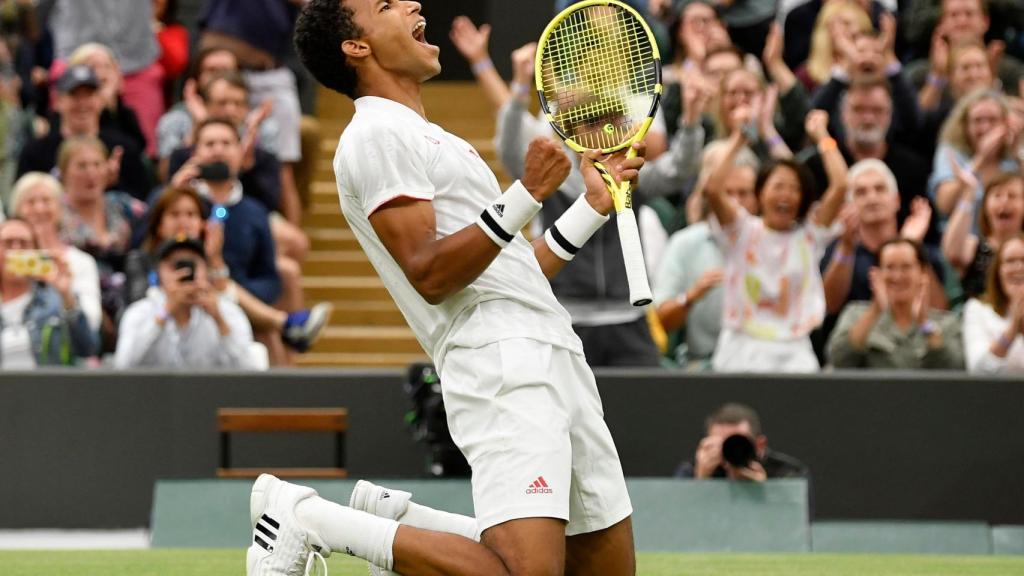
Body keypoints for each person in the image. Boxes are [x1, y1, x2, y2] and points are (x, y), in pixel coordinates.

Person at [266, 2, 647, 576]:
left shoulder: (435, 138)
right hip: (497, 361)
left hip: (553, 347)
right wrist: (528, 193)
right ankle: (313, 519)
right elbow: (431, 274)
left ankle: (409, 521)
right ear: (356, 45)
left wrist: (591, 208)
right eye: (387, 4)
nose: (414, 4)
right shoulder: (374, 135)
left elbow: (516, 275)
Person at [704, 110, 847, 372]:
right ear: (760, 193)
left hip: (794, 349)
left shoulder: (809, 236)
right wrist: (738, 139)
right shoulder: (742, 231)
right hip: (741, 345)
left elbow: (840, 185)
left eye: (794, 189)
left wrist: (823, 136)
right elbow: (712, 188)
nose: (786, 195)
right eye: (779, 186)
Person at [124, 186, 331, 353]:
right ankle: (284, 323)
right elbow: (137, 303)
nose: (183, 222)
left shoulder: (209, 256)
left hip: (210, 328)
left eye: (190, 214)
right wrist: (169, 302)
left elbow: (247, 292)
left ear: (202, 224)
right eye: (175, 214)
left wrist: (215, 261)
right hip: (160, 330)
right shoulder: (142, 259)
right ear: (159, 224)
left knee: (265, 336)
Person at [819, 160, 948, 349]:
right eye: (861, 192)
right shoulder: (838, 252)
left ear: (896, 200)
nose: (872, 198)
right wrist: (846, 247)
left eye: (880, 189)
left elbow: (940, 310)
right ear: (848, 206)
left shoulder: (924, 252)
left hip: (913, 351)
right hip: (855, 352)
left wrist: (910, 248)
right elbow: (829, 306)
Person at [654, 142, 759, 369]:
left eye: (744, 193)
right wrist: (689, 297)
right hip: (702, 365)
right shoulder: (684, 243)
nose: (735, 203)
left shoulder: (773, 242)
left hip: (762, 362)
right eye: (727, 193)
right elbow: (660, 319)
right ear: (709, 196)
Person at [801, 77, 935, 240]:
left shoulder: (914, 168)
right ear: (843, 114)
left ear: (890, 114)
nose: (868, 118)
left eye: (877, 110)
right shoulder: (817, 166)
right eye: (859, 110)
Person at [114, 235, 256, 369]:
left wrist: (219, 321)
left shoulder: (227, 311)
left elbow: (249, 371)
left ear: (205, 269)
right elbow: (123, 366)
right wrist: (165, 312)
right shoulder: (139, 312)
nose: (185, 272)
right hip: (153, 393)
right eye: (175, 265)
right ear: (159, 272)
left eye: (192, 264)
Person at [44, 0, 166, 156]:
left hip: (137, 58)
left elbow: (138, 149)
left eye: (105, 68)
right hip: (73, 51)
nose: (100, 75)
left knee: (149, 152)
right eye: (94, 68)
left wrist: (112, 106)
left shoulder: (126, 115)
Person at [16, 64, 150, 201]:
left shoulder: (123, 149)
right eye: (74, 95)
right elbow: (24, 203)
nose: (82, 104)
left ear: (100, 100)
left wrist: (109, 184)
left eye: (89, 95)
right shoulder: (35, 152)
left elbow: (143, 206)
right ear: (58, 101)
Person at [828, 238, 963, 369]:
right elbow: (839, 360)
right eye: (889, 267)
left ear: (922, 272)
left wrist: (925, 324)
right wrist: (875, 310)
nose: (897, 276)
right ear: (876, 273)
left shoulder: (947, 323)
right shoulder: (856, 314)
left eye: (906, 267)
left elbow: (954, 367)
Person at [9, 171, 101, 334]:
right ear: (17, 210)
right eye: (30, 202)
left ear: (59, 208)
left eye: (46, 200)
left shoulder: (81, 262)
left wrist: (65, 292)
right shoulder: (6, 259)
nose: (39, 208)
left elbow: (92, 322)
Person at [0, 217, 96, 367]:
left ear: (36, 251)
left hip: (44, 389)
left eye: (24, 243)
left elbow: (87, 348)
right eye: (8, 243)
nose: (16, 249)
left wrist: (66, 295)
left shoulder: (55, 300)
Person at [930, 89, 1021, 217]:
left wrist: (1016, 152)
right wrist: (980, 159)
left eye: (992, 120)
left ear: (1005, 122)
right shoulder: (950, 152)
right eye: (978, 120)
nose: (985, 127)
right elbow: (944, 205)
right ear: (965, 125)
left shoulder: (1014, 155)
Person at [943, 167, 1024, 302]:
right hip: (978, 319)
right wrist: (968, 195)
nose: (1004, 202)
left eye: (1012, 196)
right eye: (997, 195)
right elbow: (952, 252)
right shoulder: (973, 247)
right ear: (985, 206)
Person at [674, 403, 808, 481]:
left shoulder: (788, 473)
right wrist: (700, 480)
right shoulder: (691, 471)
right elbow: (675, 521)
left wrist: (764, 492)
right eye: (722, 445)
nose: (730, 450)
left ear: (759, 445)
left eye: (737, 442)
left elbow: (798, 523)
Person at [963, 233, 1024, 372]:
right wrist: (1013, 329)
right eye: (1010, 261)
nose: (1019, 267)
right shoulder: (976, 309)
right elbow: (978, 370)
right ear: (998, 271)